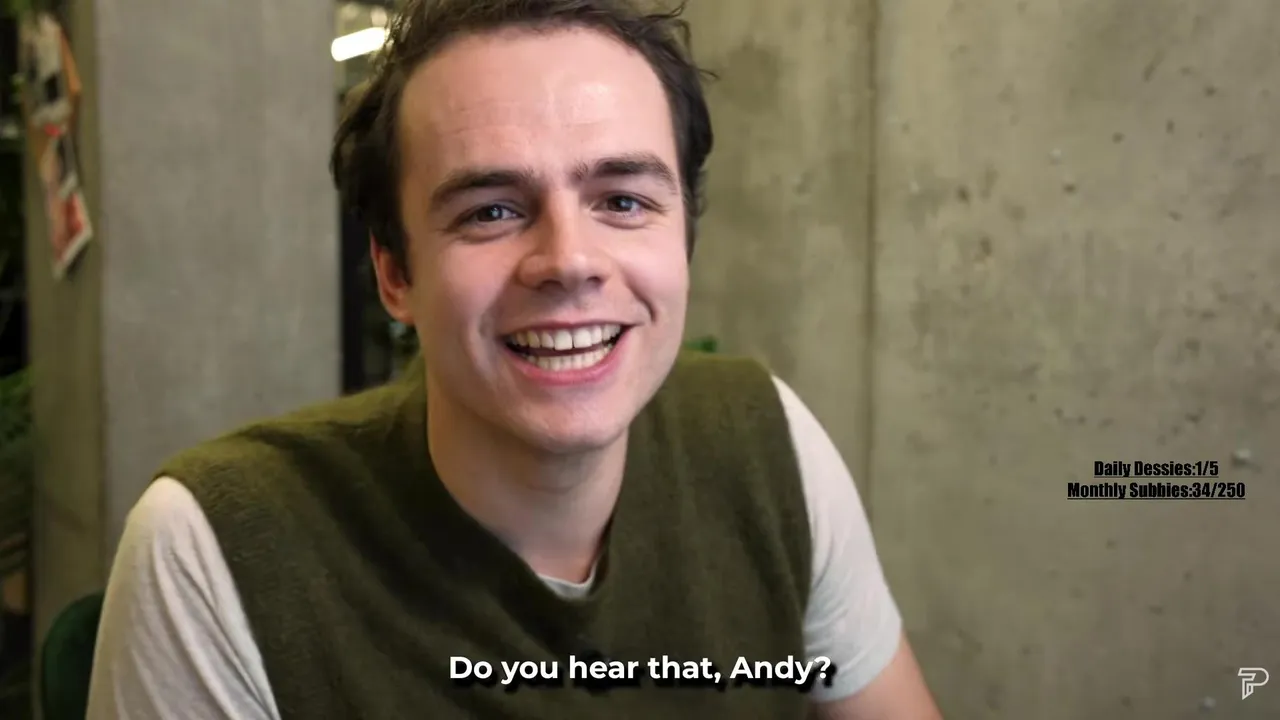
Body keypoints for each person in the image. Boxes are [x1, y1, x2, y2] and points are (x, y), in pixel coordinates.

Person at [87, 0, 943, 718]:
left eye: (623, 200)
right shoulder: (222, 547)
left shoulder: (764, 442)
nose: (569, 261)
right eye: (491, 211)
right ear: (395, 274)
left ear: (684, 236)